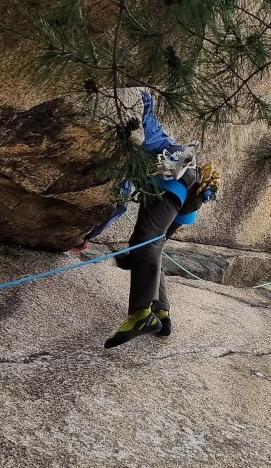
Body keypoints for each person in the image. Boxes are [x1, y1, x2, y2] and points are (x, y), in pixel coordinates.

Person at [104, 90, 220, 349]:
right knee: (153, 246)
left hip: (171, 175)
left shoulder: (130, 140)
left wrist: (89, 236)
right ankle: (162, 312)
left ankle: (141, 314)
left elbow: (119, 198)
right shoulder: (150, 127)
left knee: (145, 239)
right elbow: (146, 103)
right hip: (191, 184)